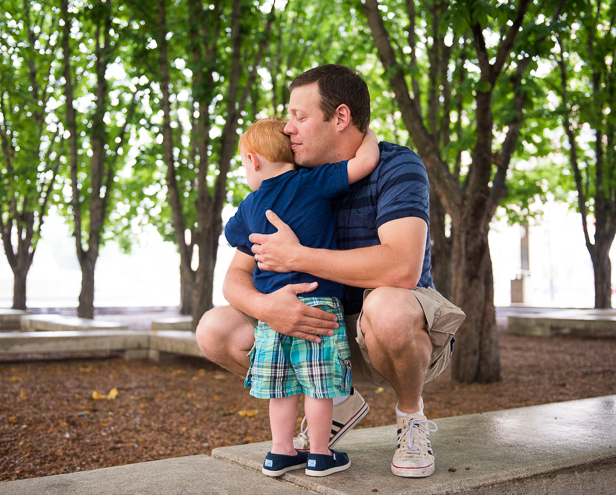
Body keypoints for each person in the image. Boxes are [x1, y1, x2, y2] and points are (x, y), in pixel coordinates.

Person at [197, 64, 465, 478]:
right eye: (288, 117)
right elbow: (235, 278)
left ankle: (410, 417)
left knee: (388, 308)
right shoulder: (288, 180)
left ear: (340, 117)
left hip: (391, 332)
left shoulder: (397, 166)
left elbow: (401, 270)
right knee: (214, 329)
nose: (288, 129)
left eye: (300, 117)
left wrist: (297, 256)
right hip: (318, 326)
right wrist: (267, 308)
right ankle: (335, 401)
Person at [224, 116, 380, 477]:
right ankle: (319, 455)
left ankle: (280, 453)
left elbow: (236, 243)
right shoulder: (313, 181)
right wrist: (368, 132)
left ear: (252, 159)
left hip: (273, 310)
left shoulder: (249, 207)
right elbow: (365, 161)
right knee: (318, 385)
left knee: (282, 387)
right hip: (318, 302)